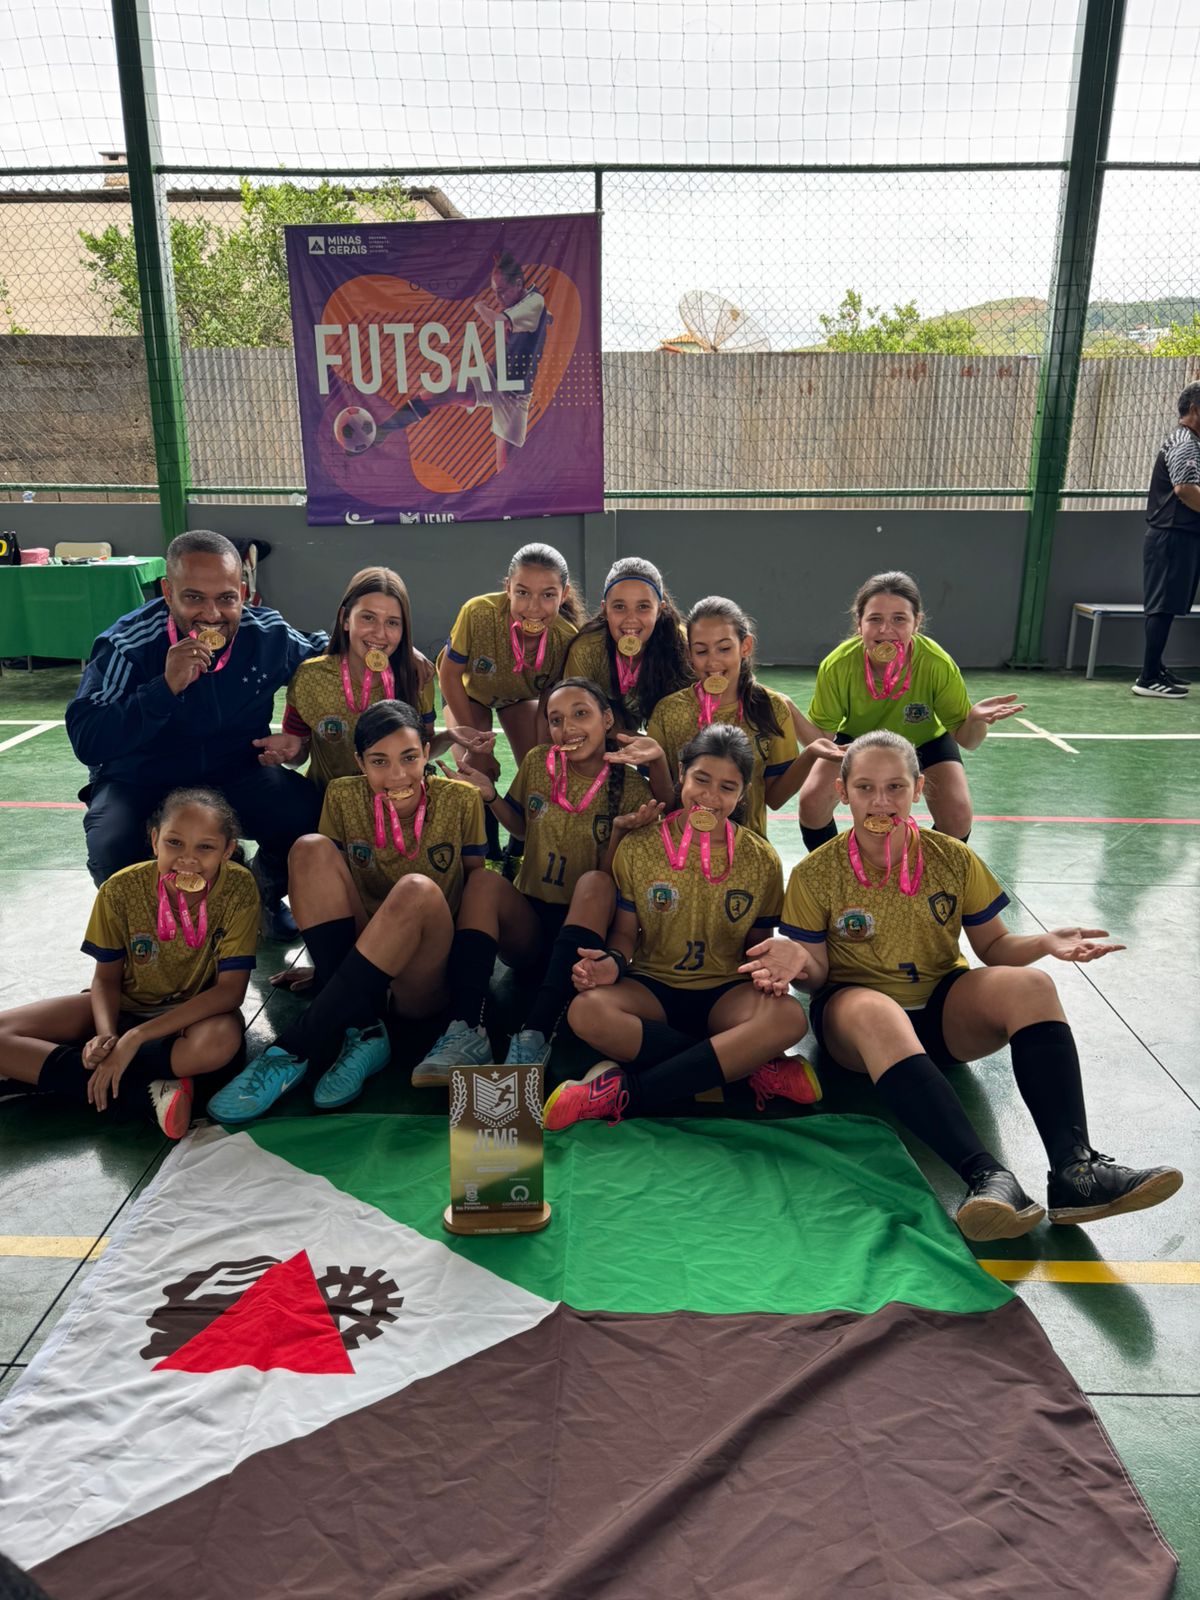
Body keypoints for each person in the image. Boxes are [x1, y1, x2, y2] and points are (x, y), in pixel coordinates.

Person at [743, 730, 1183, 1241]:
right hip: (857, 1026)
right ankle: (987, 1177)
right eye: (865, 788)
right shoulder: (816, 872)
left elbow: (993, 946)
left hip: (942, 1012)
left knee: (1032, 985)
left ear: (918, 789)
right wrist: (799, 960)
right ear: (843, 793)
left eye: (895, 787)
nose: (881, 801)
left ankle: (1076, 1170)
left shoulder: (952, 857)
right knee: (876, 1010)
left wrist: (1044, 942)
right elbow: (817, 977)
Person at [209, 701, 487, 1120]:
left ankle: (296, 1046)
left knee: (415, 889)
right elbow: (329, 891)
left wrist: (465, 993)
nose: (397, 775)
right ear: (359, 762)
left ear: (427, 752)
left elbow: (475, 892)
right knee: (309, 849)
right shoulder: (342, 795)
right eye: (379, 761)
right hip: (363, 954)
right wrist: (329, 967)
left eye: (409, 757)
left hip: (421, 973)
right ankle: (365, 1029)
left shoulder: (460, 799)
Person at [543, 724, 818, 1130]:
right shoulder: (640, 846)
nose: (710, 796)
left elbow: (757, 946)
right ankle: (745, 1064)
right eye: (701, 780)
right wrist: (611, 963)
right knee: (586, 1012)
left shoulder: (761, 859)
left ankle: (624, 1092)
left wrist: (771, 974)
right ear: (681, 774)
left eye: (727, 787)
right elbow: (625, 934)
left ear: (742, 793)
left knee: (791, 1018)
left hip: (726, 993)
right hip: (652, 989)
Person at [66, 529, 327, 939]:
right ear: (167, 593)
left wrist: (397, 655)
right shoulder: (127, 644)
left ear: (244, 593)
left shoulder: (267, 635)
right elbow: (88, 736)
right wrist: (163, 689)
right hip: (142, 778)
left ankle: (258, 893)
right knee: (112, 843)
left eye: (226, 598)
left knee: (310, 814)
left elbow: (328, 659)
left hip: (236, 769)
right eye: (193, 598)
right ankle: (148, 936)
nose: (212, 614)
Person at [410, 677, 665, 1079]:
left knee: (595, 883)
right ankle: (466, 1029)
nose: (568, 727)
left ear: (607, 719)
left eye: (581, 713)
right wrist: (491, 796)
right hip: (528, 927)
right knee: (484, 881)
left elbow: (610, 880)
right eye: (556, 719)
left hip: (584, 934)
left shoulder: (632, 785)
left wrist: (618, 831)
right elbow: (521, 827)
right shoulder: (537, 762)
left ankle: (536, 1034)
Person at [0, 788, 256, 1139]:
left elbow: (230, 992)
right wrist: (107, 1034)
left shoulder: (238, 888)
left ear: (227, 850)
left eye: (205, 847)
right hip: (124, 1004)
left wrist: (135, 1038)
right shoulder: (120, 889)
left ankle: (48, 1074)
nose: (187, 859)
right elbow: (105, 980)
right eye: (174, 843)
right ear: (154, 841)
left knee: (219, 1043)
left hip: (193, 1016)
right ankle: (146, 1093)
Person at [797, 570, 1025, 851]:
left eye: (899, 619)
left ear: (917, 623)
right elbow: (822, 738)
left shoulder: (936, 663)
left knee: (958, 815)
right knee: (811, 802)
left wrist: (976, 720)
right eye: (875, 619)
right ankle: (836, 869)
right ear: (859, 624)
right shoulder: (838, 665)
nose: (886, 630)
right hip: (857, 742)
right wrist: (789, 712)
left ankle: (924, 871)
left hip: (924, 742)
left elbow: (968, 741)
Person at [647, 595, 843, 837]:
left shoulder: (772, 708)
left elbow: (775, 799)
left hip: (747, 844)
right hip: (679, 846)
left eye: (724, 648)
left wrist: (810, 754)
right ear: (689, 654)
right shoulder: (667, 711)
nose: (713, 660)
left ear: (745, 646)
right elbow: (662, 801)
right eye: (701, 651)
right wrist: (656, 759)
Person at [439, 542, 581, 863]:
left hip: (519, 698)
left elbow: (549, 706)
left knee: (540, 766)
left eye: (548, 595)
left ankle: (518, 848)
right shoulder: (478, 612)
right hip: (470, 694)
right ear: (508, 588)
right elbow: (448, 676)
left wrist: (541, 761)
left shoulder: (566, 637)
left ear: (564, 594)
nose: (534, 607)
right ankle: (484, 852)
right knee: (474, 766)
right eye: (523, 593)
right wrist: (478, 745)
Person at [370, 249, 549, 473]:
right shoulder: (521, 302)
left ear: (519, 284)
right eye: (494, 292)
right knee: (439, 391)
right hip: (493, 376)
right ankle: (382, 431)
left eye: (502, 292)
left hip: (514, 394)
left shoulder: (534, 301)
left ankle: (514, 493)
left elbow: (498, 323)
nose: (498, 298)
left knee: (505, 468)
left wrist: (481, 307)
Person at [272, 567, 436, 791]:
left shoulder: (416, 677)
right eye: (368, 618)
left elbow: (425, 749)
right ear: (345, 619)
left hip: (396, 802)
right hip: (327, 802)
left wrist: (452, 737)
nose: (379, 633)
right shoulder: (310, 677)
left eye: (392, 622)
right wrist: (290, 753)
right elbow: (296, 757)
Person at [558, 556, 692, 736]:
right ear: (605, 610)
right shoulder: (586, 650)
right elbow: (573, 713)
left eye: (643, 607)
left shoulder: (683, 645)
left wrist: (658, 746)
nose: (631, 619)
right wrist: (624, 736)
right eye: (619, 607)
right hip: (609, 729)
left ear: (660, 610)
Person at [1134, 382, 1200, 697]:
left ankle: (1156, 667)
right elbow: (1185, 490)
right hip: (1171, 535)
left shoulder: (1190, 441)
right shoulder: (1186, 442)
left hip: (1180, 536)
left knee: (1168, 605)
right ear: (1195, 409)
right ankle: (1147, 679)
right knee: (1161, 606)